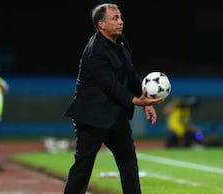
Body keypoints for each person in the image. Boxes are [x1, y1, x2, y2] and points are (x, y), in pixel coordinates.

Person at [63, 3, 163, 194]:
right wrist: (136, 101)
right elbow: (110, 86)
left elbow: (130, 73)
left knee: (128, 162)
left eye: (120, 17)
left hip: (114, 114)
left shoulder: (120, 41)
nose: (121, 21)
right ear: (101, 24)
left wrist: (146, 101)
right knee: (83, 167)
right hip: (91, 117)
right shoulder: (95, 52)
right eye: (115, 18)